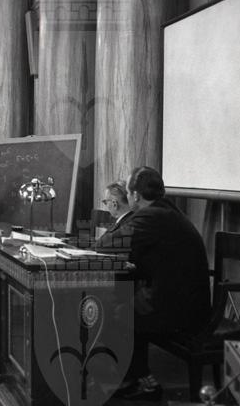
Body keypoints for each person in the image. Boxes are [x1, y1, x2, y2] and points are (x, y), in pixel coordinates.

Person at [109, 167, 211, 401]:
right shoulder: (165, 211)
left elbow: (108, 245)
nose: (127, 196)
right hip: (187, 301)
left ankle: (143, 381)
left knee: (119, 312)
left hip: (181, 309)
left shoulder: (152, 216)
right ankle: (135, 377)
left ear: (135, 196)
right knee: (127, 305)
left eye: (128, 192)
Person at [94, 180, 134, 249]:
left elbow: (100, 245)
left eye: (105, 202)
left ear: (114, 204)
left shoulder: (126, 225)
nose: (106, 206)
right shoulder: (133, 219)